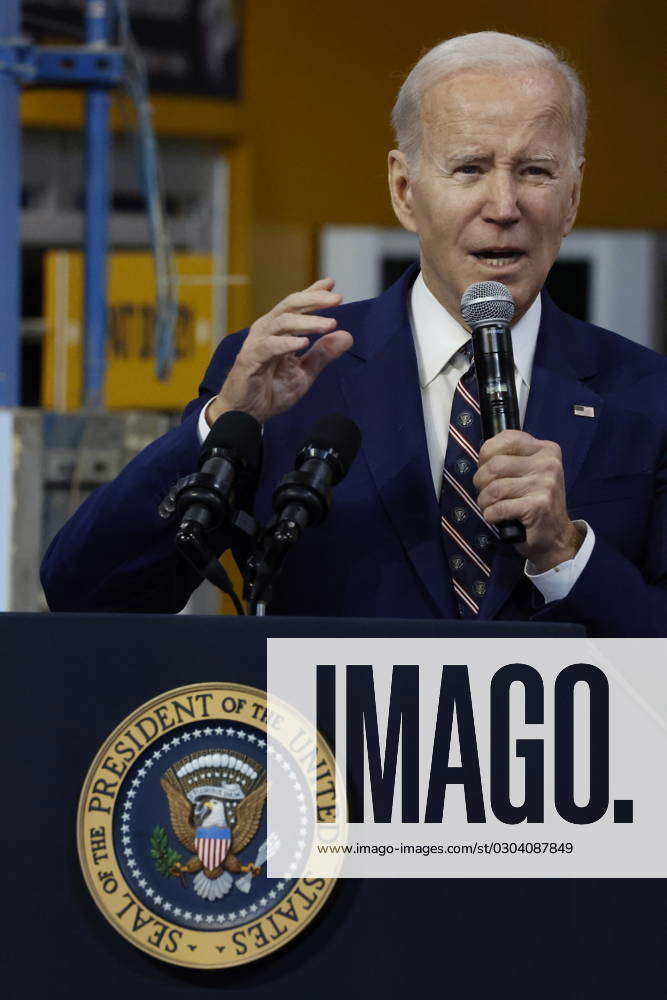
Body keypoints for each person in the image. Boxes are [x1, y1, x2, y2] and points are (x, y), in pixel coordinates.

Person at [41, 31, 667, 635]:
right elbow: (88, 593)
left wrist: (566, 552)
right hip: (325, 744)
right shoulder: (293, 372)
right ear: (403, 190)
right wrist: (221, 422)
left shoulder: (646, 394)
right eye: (470, 168)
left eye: (534, 171)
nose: (504, 206)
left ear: (573, 196)